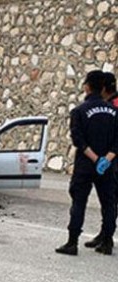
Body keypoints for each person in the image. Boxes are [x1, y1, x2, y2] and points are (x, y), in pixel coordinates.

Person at [56, 70, 118, 256]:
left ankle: (72, 242)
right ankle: (107, 242)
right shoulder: (115, 112)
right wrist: (106, 159)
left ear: (88, 87)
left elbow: (79, 140)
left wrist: (94, 158)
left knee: (79, 202)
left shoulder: (79, 111)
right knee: (108, 203)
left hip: (85, 165)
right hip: (107, 165)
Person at [85, 71, 118, 248]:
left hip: (112, 160)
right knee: (110, 201)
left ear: (103, 88)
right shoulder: (110, 104)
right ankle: (104, 234)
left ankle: (106, 238)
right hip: (110, 159)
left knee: (110, 201)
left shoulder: (113, 106)